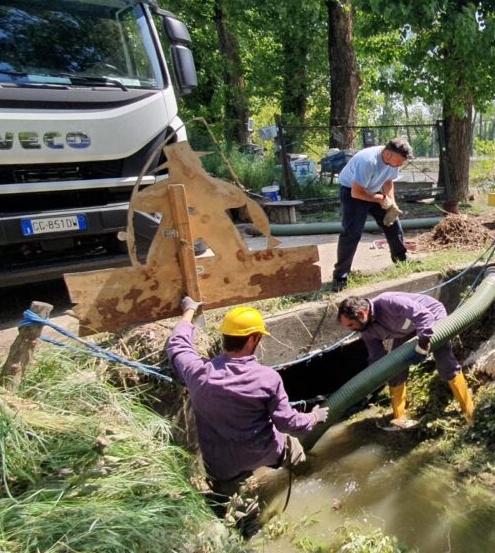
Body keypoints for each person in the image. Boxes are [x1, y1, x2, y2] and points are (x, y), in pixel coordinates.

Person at [166, 297, 328, 504]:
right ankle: (306, 475)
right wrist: (314, 417)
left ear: (225, 336)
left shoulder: (198, 373)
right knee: (292, 448)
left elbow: (177, 345)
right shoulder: (267, 378)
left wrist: (188, 310)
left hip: (222, 463)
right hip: (264, 451)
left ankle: (245, 523)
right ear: (253, 339)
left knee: (235, 503)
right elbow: (288, 423)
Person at [336, 293, 474, 428]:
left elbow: (423, 316)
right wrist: (375, 378)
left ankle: (469, 413)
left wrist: (422, 346)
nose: (351, 329)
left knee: (444, 361)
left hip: (431, 316)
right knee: (396, 369)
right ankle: (399, 417)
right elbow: (376, 357)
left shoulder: (388, 303)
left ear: (361, 314)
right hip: (406, 329)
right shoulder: (367, 331)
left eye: (350, 325)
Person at [331, 137, 414, 292]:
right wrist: (381, 199)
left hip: (373, 191)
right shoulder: (368, 161)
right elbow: (357, 192)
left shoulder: (393, 160)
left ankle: (401, 258)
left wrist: (392, 203)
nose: (401, 164)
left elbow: (388, 182)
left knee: (392, 223)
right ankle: (340, 276)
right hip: (351, 193)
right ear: (388, 154)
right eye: (400, 161)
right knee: (352, 233)